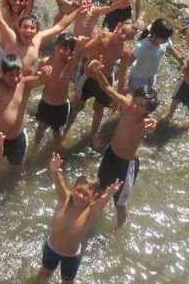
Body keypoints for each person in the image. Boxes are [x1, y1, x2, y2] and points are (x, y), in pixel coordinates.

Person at [85, 60, 159, 227]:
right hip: (110, 155)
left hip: (126, 166)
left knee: (120, 203)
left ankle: (119, 229)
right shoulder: (126, 106)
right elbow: (107, 88)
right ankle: (91, 218)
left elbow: (152, 125)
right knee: (99, 189)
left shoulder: (144, 121)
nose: (135, 106)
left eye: (141, 106)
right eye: (135, 101)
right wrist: (98, 72)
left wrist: (153, 124)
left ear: (147, 111)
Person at [38, 153, 121, 283]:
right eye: (78, 190)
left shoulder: (91, 211)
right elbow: (59, 183)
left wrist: (110, 193)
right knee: (45, 273)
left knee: (67, 281)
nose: (80, 196)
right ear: (73, 188)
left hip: (71, 256)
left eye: (86, 194)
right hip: (51, 249)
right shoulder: (64, 199)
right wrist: (54, 170)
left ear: (93, 197)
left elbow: (102, 203)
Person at [0, 54, 51, 175]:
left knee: (18, 169)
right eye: (11, 75)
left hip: (17, 139)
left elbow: (41, 80)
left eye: (18, 74)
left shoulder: (26, 84)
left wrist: (45, 73)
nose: (15, 78)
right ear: (2, 73)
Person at [65, 22, 136, 148]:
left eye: (128, 36)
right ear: (118, 26)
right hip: (88, 78)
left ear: (131, 39)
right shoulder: (101, 36)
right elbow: (82, 53)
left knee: (99, 110)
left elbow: (123, 75)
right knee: (77, 107)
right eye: (123, 31)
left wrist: (117, 99)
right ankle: (65, 132)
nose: (123, 36)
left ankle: (93, 135)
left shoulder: (125, 52)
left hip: (105, 81)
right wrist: (97, 40)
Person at [0, 0, 84, 75]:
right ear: (19, 28)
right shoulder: (12, 38)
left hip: (25, 85)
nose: (28, 31)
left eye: (32, 28)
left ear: (37, 30)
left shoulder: (38, 38)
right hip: (9, 81)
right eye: (25, 27)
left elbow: (60, 27)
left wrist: (79, 11)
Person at [31, 33, 88, 155]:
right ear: (55, 45)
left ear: (71, 52)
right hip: (45, 103)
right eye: (60, 46)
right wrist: (41, 76)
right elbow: (33, 82)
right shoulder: (45, 61)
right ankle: (32, 152)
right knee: (40, 129)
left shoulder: (70, 63)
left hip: (61, 107)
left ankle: (53, 157)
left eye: (66, 49)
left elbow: (81, 52)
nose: (61, 51)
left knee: (57, 134)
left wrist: (82, 45)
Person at [35, 0, 133, 38]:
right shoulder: (74, 8)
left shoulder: (95, 11)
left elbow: (109, 8)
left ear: (93, 0)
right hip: (76, 40)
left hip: (89, 42)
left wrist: (120, 4)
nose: (84, 1)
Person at [127, 18, 184, 92]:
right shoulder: (143, 46)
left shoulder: (164, 40)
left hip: (152, 75)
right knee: (140, 97)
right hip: (138, 76)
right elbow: (129, 60)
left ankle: (125, 91)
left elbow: (171, 49)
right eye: (165, 38)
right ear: (155, 36)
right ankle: (122, 93)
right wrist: (122, 72)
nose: (167, 40)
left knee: (144, 94)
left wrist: (181, 61)